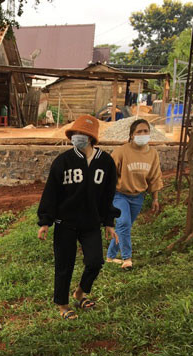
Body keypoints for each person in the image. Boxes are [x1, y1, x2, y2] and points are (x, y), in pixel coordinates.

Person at [37, 115, 120, 320]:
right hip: (65, 222)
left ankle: (80, 293)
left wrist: (109, 222)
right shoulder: (63, 161)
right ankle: (63, 305)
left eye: (82, 134)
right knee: (64, 265)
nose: (78, 137)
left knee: (95, 261)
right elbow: (51, 192)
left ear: (92, 137)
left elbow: (109, 194)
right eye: (75, 134)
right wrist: (45, 221)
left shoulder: (106, 162)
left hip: (91, 223)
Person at [106, 118, 163, 269]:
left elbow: (155, 177)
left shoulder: (153, 154)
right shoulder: (121, 151)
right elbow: (109, 174)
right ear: (132, 135)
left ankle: (110, 256)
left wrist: (155, 198)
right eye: (139, 131)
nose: (143, 134)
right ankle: (127, 259)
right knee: (123, 222)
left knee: (124, 227)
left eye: (146, 131)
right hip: (120, 195)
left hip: (138, 197)